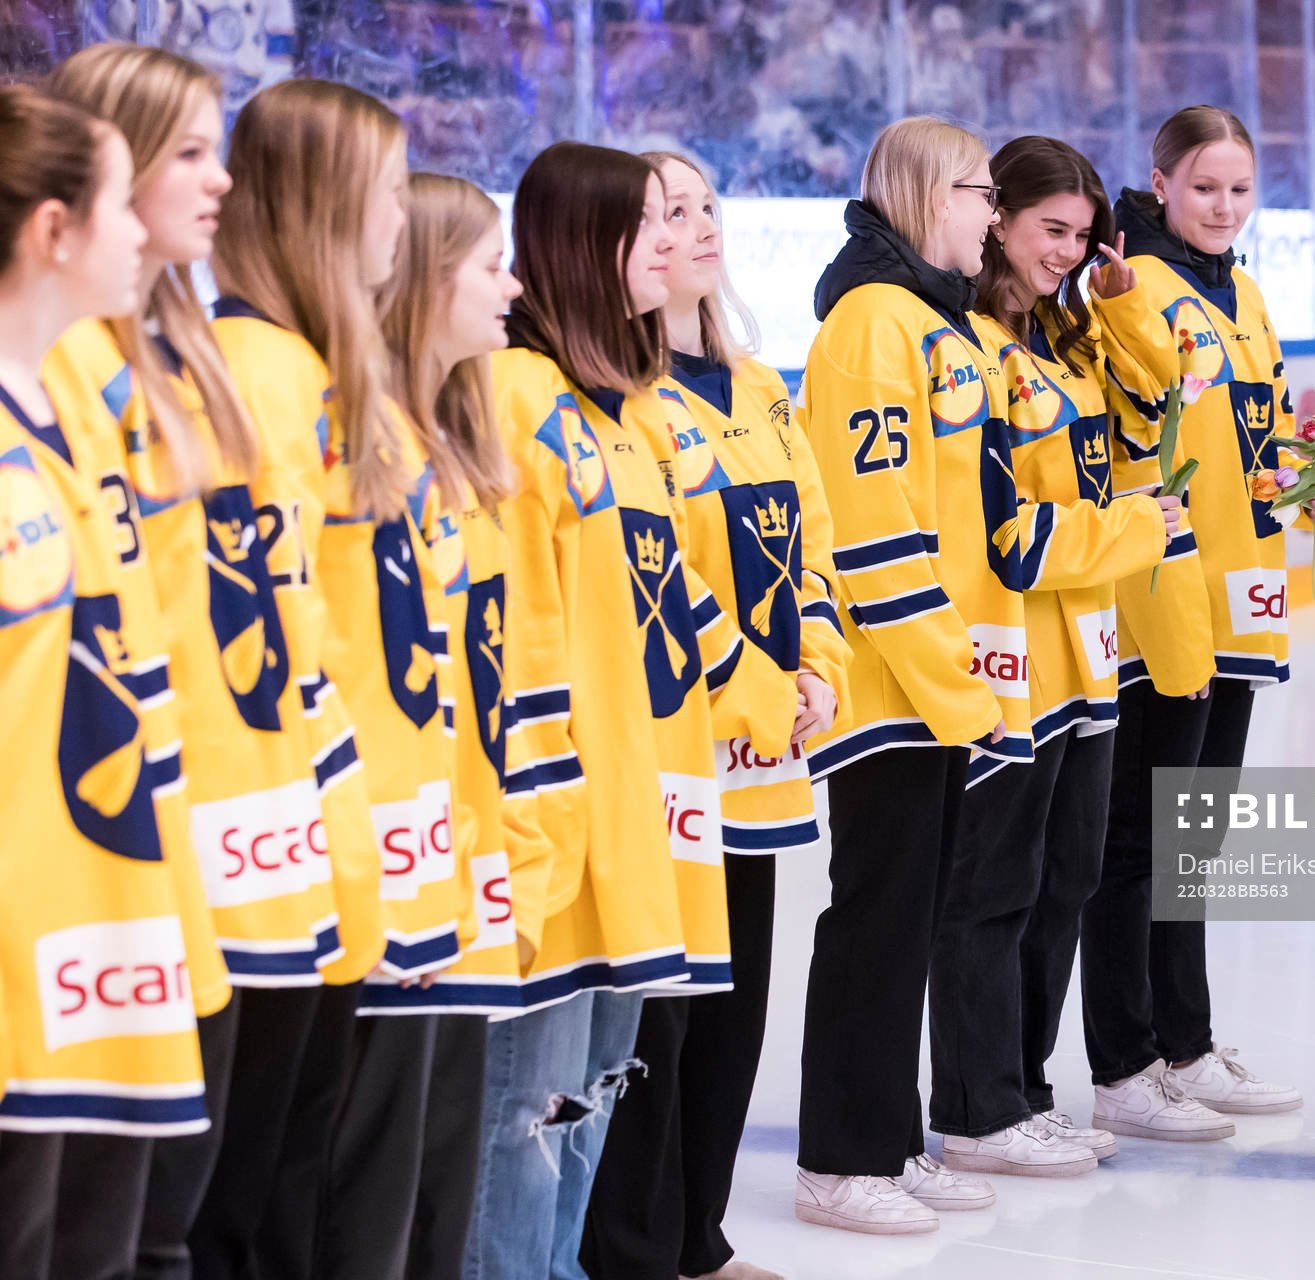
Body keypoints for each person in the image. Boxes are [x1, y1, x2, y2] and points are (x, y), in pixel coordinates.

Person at [42, 42, 326, 1280]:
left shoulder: (183, 350)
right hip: (131, 828)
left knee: (192, 1187)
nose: (220, 182)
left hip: (220, 818)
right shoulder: (64, 363)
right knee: (122, 1207)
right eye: (191, 153)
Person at [582, 151, 850, 1280]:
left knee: (737, 1005)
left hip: (769, 749)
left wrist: (821, 665)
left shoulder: (761, 382)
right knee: (666, 1013)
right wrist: (754, 687)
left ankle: (702, 1237)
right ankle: (634, 1245)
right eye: (666, 211)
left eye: (704, 204)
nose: (694, 226)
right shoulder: (620, 394)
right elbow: (655, 587)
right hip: (681, 747)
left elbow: (815, 543)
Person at [925, 134, 1180, 1177]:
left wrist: (1116, 301)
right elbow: (1010, 533)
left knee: (1066, 875)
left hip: (1086, 662)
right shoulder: (966, 345)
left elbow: (1152, 411)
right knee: (994, 887)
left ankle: (1024, 1089)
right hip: (1007, 664)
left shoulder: (1067, 339)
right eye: (1050, 232)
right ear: (997, 219)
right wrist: (1130, 529)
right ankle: (977, 1105)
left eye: (1082, 236)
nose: (1066, 253)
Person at [1081, 105, 1315, 1144]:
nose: (1224, 206)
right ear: (1161, 185)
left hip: (1241, 593)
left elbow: (1258, 432)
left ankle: (1184, 1045)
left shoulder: (1247, 292)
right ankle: (1123, 1061)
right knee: (1138, 839)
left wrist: (1310, 480)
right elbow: (1138, 416)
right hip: (1164, 596)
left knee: (1194, 840)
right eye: (1203, 188)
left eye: (1239, 189)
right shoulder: (1132, 284)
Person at [792, 115, 1025, 1237]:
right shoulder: (874, 325)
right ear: (932, 194)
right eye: (982, 192)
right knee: (877, 918)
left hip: (927, 687)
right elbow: (873, 532)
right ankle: (840, 1155)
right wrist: (957, 692)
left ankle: (887, 1135)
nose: (995, 210)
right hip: (890, 689)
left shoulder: (935, 319)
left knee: (912, 914)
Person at [0, 80, 217, 1280]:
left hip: (96, 903)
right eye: (117, 201)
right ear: (54, 230)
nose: (141, 226)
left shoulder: (59, 420)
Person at [467, 142, 696, 1280]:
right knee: (528, 1102)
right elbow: (512, 638)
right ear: (577, 240)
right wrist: (534, 821)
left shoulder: (624, 411)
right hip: (560, 818)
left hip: (632, 815)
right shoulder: (517, 397)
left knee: (591, 1090)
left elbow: (667, 607)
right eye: (645, 218)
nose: (669, 238)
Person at [199, 77, 414, 1279]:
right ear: (326, 206)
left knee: (292, 1163)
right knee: (253, 1177)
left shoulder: (308, 370)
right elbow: (267, 652)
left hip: (325, 825)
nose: (398, 221)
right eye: (386, 191)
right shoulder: (258, 372)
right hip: (274, 837)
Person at [316, 171, 523, 1280]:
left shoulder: (456, 447)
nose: (514, 287)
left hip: (459, 839)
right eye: (491, 265)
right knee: (381, 1150)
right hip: (394, 847)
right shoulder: (366, 445)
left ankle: (1151, 1047)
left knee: (438, 1139)